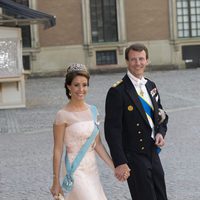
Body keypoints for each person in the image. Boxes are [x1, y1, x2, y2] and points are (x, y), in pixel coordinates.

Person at [104, 43, 168, 200]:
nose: (138, 63)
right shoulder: (117, 91)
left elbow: (161, 115)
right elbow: (112, 130)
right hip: (134, 156)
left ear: (147, 60)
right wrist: (120, 162)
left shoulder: (151, 85)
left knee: (161, 195)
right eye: (133, 59)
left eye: (141, 59)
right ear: (127, 61)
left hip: (153, 152)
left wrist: (160, 132)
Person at [50, 63, 114, 200]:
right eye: (76, 85)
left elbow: (98, 144)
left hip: (92, 168)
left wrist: (114, 168)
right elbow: (57, 150)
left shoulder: (93, 110)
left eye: (84, 85)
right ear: (68, 87)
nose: (81, 89)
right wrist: (56, 181)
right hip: (74, 169)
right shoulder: (62, 115)